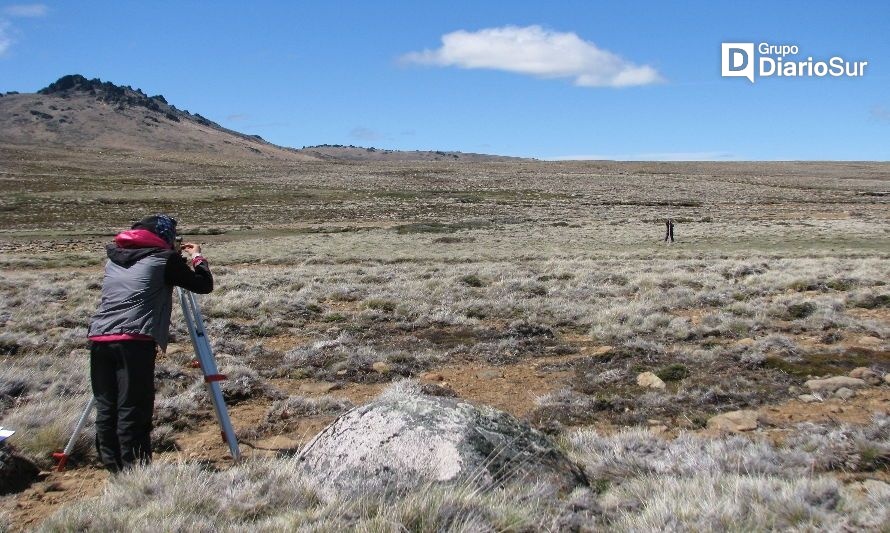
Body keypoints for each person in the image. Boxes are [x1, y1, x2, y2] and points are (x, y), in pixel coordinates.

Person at [87, 214, 213, 472]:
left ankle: (113, 467)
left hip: (99, 337)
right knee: (133, 407)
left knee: (107, 407)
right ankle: (136, 472)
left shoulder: (114, 258)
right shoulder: (164, 259)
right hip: (134, 341)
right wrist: (197, 258)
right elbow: (203, 285)